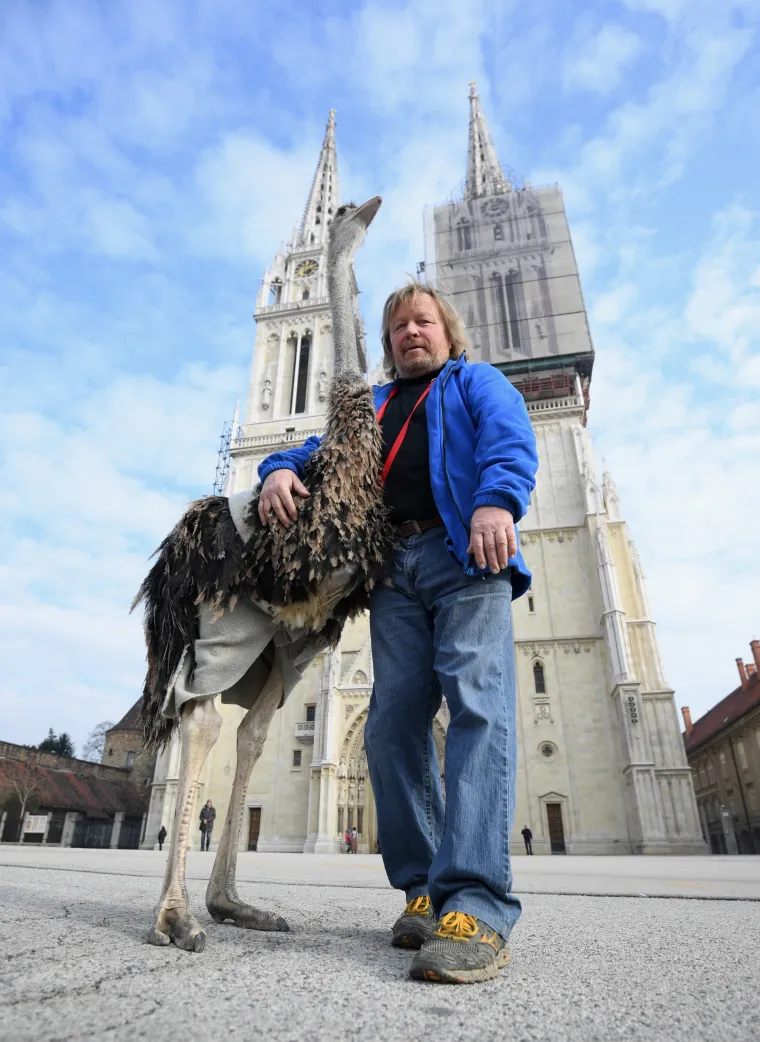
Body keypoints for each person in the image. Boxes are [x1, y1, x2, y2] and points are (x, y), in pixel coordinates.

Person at [257, 281, 538, 985]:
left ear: (447, 332)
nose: (411, 333)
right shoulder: (375, 408)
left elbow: (510, 439)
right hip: (395, 571)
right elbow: (315, 452)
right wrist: (276, 471)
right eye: (399, 327)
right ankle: (424, 890)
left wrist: (495, 503)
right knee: (388, 729)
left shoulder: (475, 382)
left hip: (466, 554)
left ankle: (477, 905)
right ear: (387, 345)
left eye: (424, 322)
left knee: (477, 708)